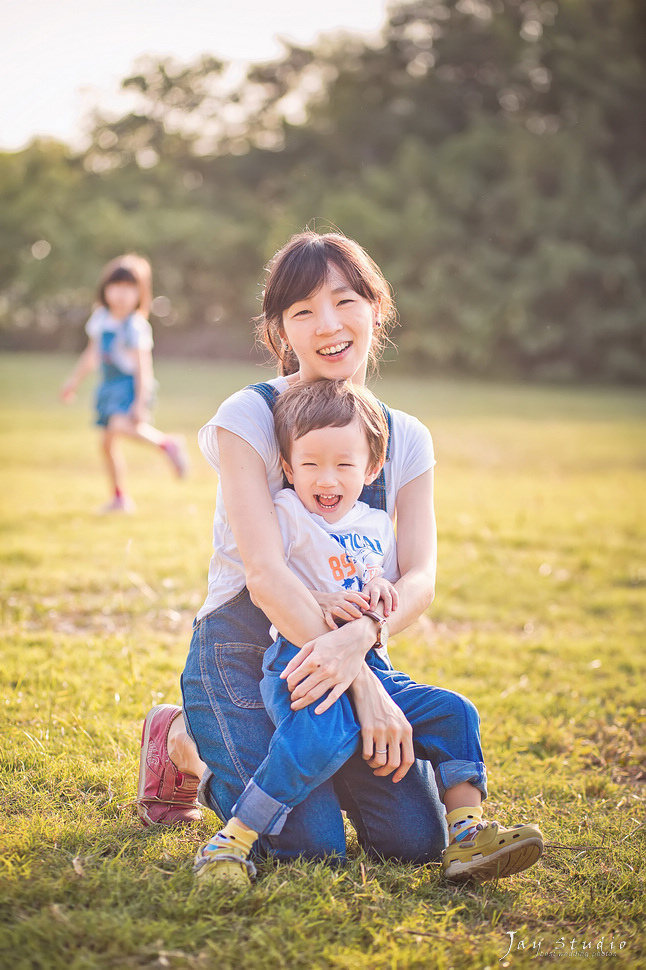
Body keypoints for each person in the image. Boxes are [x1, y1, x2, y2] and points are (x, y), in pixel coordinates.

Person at [135, 230, 533, 881]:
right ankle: (182, 740)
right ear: (278, 331)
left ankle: (326, 761)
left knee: (412, 842)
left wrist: (365, 643)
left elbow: (421, 576)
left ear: (377, 308)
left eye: (345, 301)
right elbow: (264, 575)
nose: (328, 325)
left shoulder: (405, 437)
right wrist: (364, 680)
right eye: (302, 311)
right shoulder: (249, 415)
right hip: (246, 645)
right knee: (308, 847)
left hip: (349, 648)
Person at [191, 378, 543, 885]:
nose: (326, 479)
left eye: (343, 465)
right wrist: (320, 600)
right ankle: (235, 839)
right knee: (316, 751)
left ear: (372, 469)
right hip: (300, 657)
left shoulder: (377, 524)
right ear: (287, 469)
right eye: (309, 464)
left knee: (454, 712)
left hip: (371, 663)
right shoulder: (288, 513)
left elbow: (392, 579)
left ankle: (466, 833)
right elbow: (267, 576)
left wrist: (379, 595)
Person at [60, 254, 188, 512]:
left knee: (121, 425)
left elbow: (143, 368)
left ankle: (167, 444)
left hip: (131, 386)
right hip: (109, 385)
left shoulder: (136, 326)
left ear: (140, 294)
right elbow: (92, 354)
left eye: (129, 288)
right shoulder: (100, 319)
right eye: (115, 286)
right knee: (107, 444)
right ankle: (120, 498)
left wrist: (140, 402)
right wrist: (74, 381)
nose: (121, 294)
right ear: (105, 289)